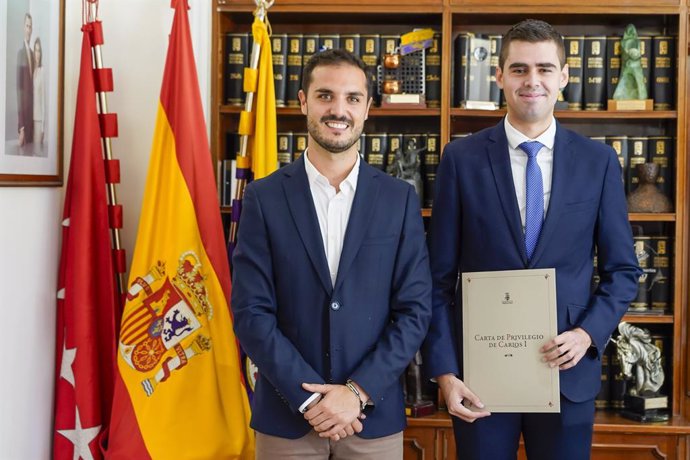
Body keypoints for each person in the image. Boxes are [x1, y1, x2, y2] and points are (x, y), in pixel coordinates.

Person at [422, 19, 641, 459]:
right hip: (479, 378)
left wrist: (586, 335)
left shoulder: (598, 162)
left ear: (564, 77)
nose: (532, 81)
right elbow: (436, 280)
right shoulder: (460, 159)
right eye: (519, 69)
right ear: (499, 76)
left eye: (544, 69)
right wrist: (445, 373)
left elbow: (622, 272)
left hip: (566, 373)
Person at [232, 48, 432, 459]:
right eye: (325, 96)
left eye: (352, 98)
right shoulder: (264, 198)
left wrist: (356, 393)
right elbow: (251, 313)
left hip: (371, 416)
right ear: (303, 101)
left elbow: (414, 311)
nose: (338, 109)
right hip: (287, 418)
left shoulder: (399, 200)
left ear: (367, 108)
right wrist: (312, 401)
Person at [17, 13, 34, 153]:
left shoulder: (34, 55)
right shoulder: (20, 54)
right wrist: (21, 126)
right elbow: (19, 90)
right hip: (24, 120)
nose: (29, 29)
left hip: (33, 120)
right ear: (23, 28)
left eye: (30, 26)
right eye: (27, 26)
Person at [32, 37, 45, 154]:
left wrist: (42, 129)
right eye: (35, 50)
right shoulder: (32, 71)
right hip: (30, 120)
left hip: (38, 120)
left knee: (36, 152)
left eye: (39, 50)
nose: (37, 54)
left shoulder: (42, 71)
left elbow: (44, 101)